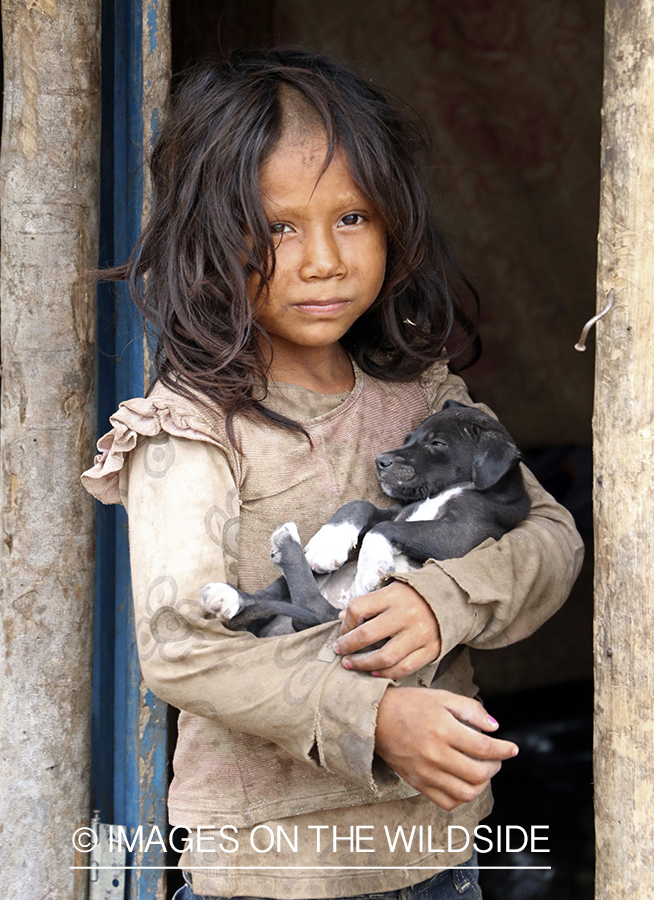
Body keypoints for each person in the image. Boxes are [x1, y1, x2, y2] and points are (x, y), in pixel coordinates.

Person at [82, 48, 584, 900]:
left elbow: (551, 537)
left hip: (434, 854)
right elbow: (177, 649)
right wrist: (374, 717)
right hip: (268, 873)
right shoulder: (191, 428)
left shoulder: (423, 396)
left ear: (393, 220)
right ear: (212, 236)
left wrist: (444, 599)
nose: (322, 258)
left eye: (351, 217)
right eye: (279, 226)